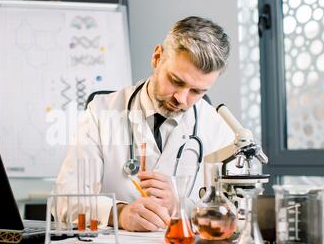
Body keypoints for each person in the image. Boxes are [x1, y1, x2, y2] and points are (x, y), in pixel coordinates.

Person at [54, 16, 234, 232]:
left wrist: (180, 206)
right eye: (176, 81)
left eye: (197, 91)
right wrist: (118, 213)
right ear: (157, 57)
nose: (181, 98)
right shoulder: (101, 113)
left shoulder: (218, 128)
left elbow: (235, 213)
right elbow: (63, 200)